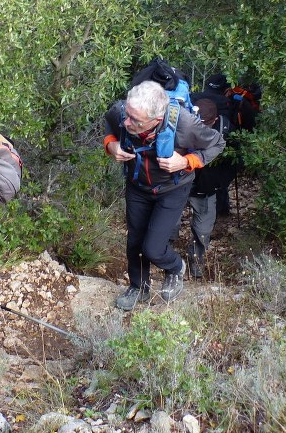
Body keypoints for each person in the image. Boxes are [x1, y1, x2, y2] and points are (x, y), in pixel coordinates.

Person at [103, 80, 226, 310]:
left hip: (172, 189)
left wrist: (186, 161)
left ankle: (175, 267)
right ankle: (138, 287)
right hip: (137, 186)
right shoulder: (122, 111)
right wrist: (111, 145)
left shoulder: (184, 124)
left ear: (156, 120)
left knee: (153, 247)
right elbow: (110, 126)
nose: (126, 122)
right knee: (135, 241)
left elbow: (217, 144)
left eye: (135, 120)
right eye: (127, 116)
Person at [195, 73, 258, 217]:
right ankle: (220, 212)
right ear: (227, 89)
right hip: (226, 149)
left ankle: (208, 213)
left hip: (197, 150)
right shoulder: (234, 102)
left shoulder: (197, 99)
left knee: (205, 181)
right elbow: (250, 127)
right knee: (219, 181)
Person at [185, 98, 235, 278]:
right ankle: (164, 255)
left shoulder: (226, 132)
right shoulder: (181, 124)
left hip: (206, 189)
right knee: (169, 224)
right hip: (179, 185)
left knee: (203, 230)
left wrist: (219, 183)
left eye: (204, 124)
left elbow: (234, 162)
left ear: (214, 120)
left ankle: (196, 261)